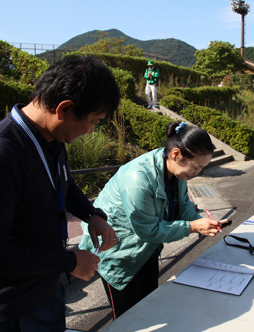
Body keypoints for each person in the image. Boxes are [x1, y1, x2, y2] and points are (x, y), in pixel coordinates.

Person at [0, 55, 121, 331]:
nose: (91, 131)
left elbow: (63, 184)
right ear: (64, 109)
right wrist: (70, 261)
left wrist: (92, 214)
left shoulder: (50, 139)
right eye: (93, 121)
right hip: (3, 309)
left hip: (43, 292)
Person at [79, 121, 220, 319]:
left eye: (202, 168)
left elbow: (183, 205)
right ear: (176, 154)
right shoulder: (138, 177)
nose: (197, 173)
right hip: (117, 251)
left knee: (148, 307)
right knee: (127, 320)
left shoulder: (175, 171)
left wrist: (199, 222)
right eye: (196, 167)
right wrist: (192, 227)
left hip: (145, 248)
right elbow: (148, 230)